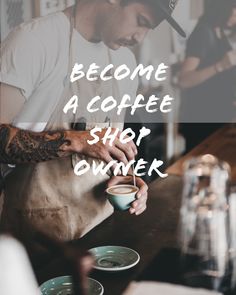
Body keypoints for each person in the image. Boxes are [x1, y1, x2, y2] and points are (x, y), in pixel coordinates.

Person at [0, 0, 185, 241]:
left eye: (149, 28)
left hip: (100, 231)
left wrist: (127, 178)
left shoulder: (125, 62)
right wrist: (77, 140)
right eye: (141, 22)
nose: (141, 37)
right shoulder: (34, 41)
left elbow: (112, 146)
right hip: (37, 238)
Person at [178, 0, 236, 151]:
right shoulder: (203, 33)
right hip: (202, 122)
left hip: (218, 119)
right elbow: (184, 79)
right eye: (234, 9)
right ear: (224, 8)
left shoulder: (218, 31)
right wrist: (220, 66)